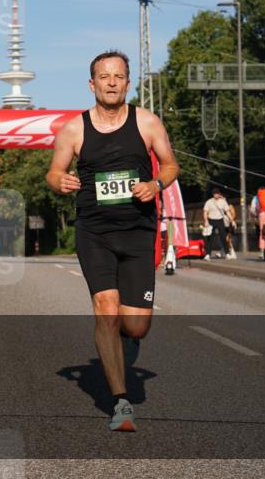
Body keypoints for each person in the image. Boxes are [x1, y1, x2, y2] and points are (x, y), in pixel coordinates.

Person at [46, 50, 178, 433]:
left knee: (135, 326)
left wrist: (156, 183)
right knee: (105, 307)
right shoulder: (74, 129)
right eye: (103, 76)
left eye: (117, 76)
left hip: (138, 232)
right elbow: (53, 173)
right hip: (94, 231)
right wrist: (61, 181)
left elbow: (170, 164)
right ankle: (121, 402)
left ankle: (124, 339)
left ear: (127, 82)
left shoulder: (147, 122)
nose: (110, 82)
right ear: (92, 84)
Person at [202, 189, 229, 259]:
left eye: (217, 193)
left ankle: (227, 253)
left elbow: (227, 211)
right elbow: (205, 212)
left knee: (223, 236)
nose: (216, 195)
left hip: (220, 220)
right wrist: (206, 221)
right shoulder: (209, 202)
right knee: (210, 238)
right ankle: (207, 254)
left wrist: (232, 220)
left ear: (219, 194)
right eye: (214, 194)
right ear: (213, 194)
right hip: (211, 220)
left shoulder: (223, 202)